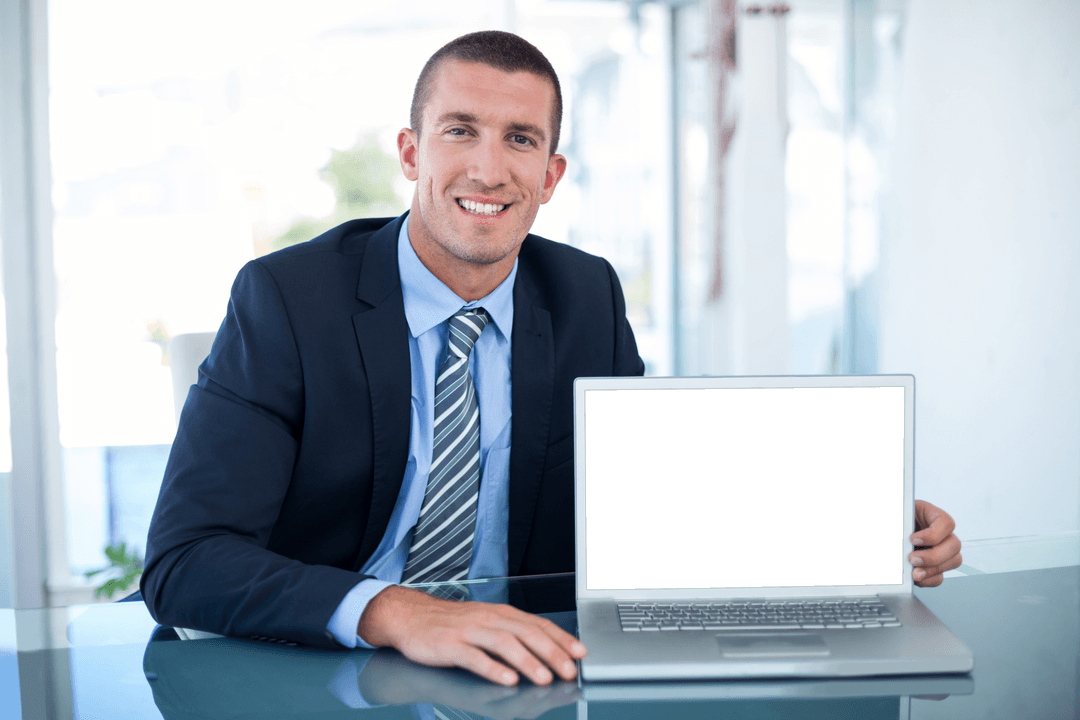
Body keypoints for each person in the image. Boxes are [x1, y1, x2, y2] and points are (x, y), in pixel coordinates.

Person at [141, 30, 963, 688]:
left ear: (552, 172)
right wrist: (396, 611)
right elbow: (185, 561)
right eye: (459, 130)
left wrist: (858, 522)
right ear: (409, 151)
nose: (488, 168)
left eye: (520, 140)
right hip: (324, 673)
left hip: (527, 673)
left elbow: (658, 494)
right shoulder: (288, 300)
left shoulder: (585, 295)